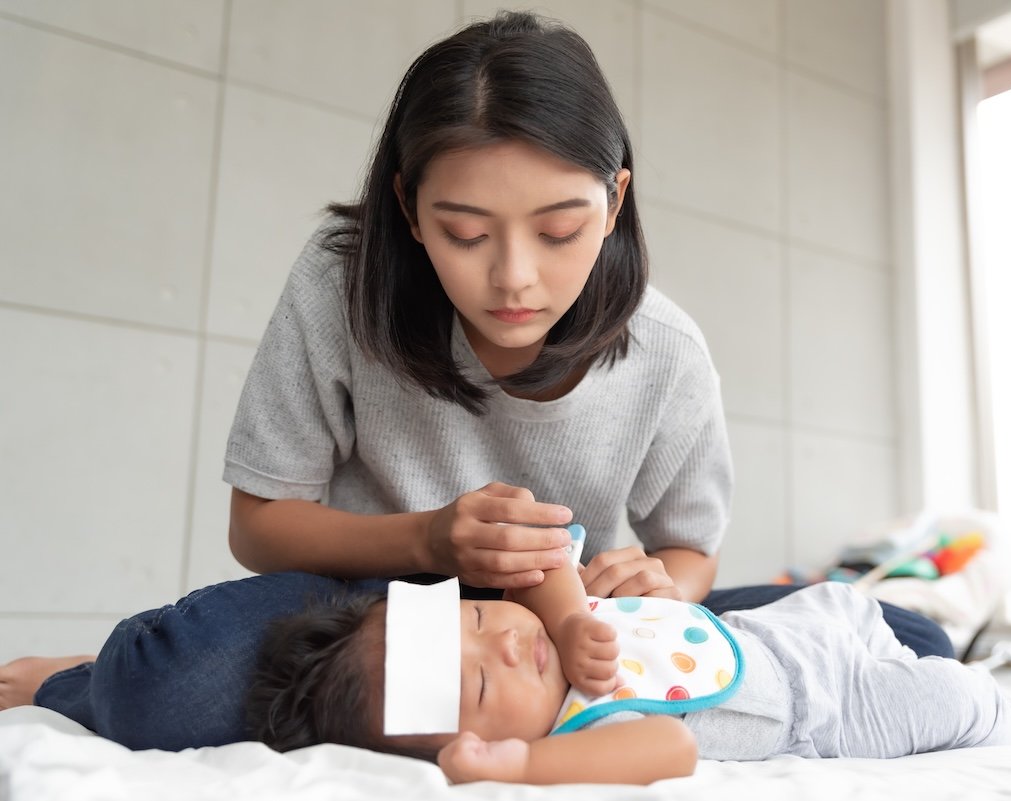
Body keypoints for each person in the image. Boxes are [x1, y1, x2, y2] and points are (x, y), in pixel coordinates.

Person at [0, 10, 953, 749]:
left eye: (559, 228)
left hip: (572, 627)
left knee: (912, 644)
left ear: (615, 199)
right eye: (464, 232)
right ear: (411, 210)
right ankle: (81, 675)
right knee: (170, 681)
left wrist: (660, 582)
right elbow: (260, 526)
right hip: (374, 615)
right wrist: (427, 537)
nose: (514, 279)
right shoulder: (343, 287)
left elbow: (690, 555)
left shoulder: (666, 350)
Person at [246, 564, 1011, 786]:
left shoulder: (551, 623)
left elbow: (545, 560)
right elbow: (671, 744)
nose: (505, 644)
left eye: (476, 619)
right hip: (828, 707)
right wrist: (525, 768)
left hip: (778, 628)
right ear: (477, 740)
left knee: (852, 599)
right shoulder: (579, 731)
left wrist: (574, 614)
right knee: (946, 695)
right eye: (477, 684)